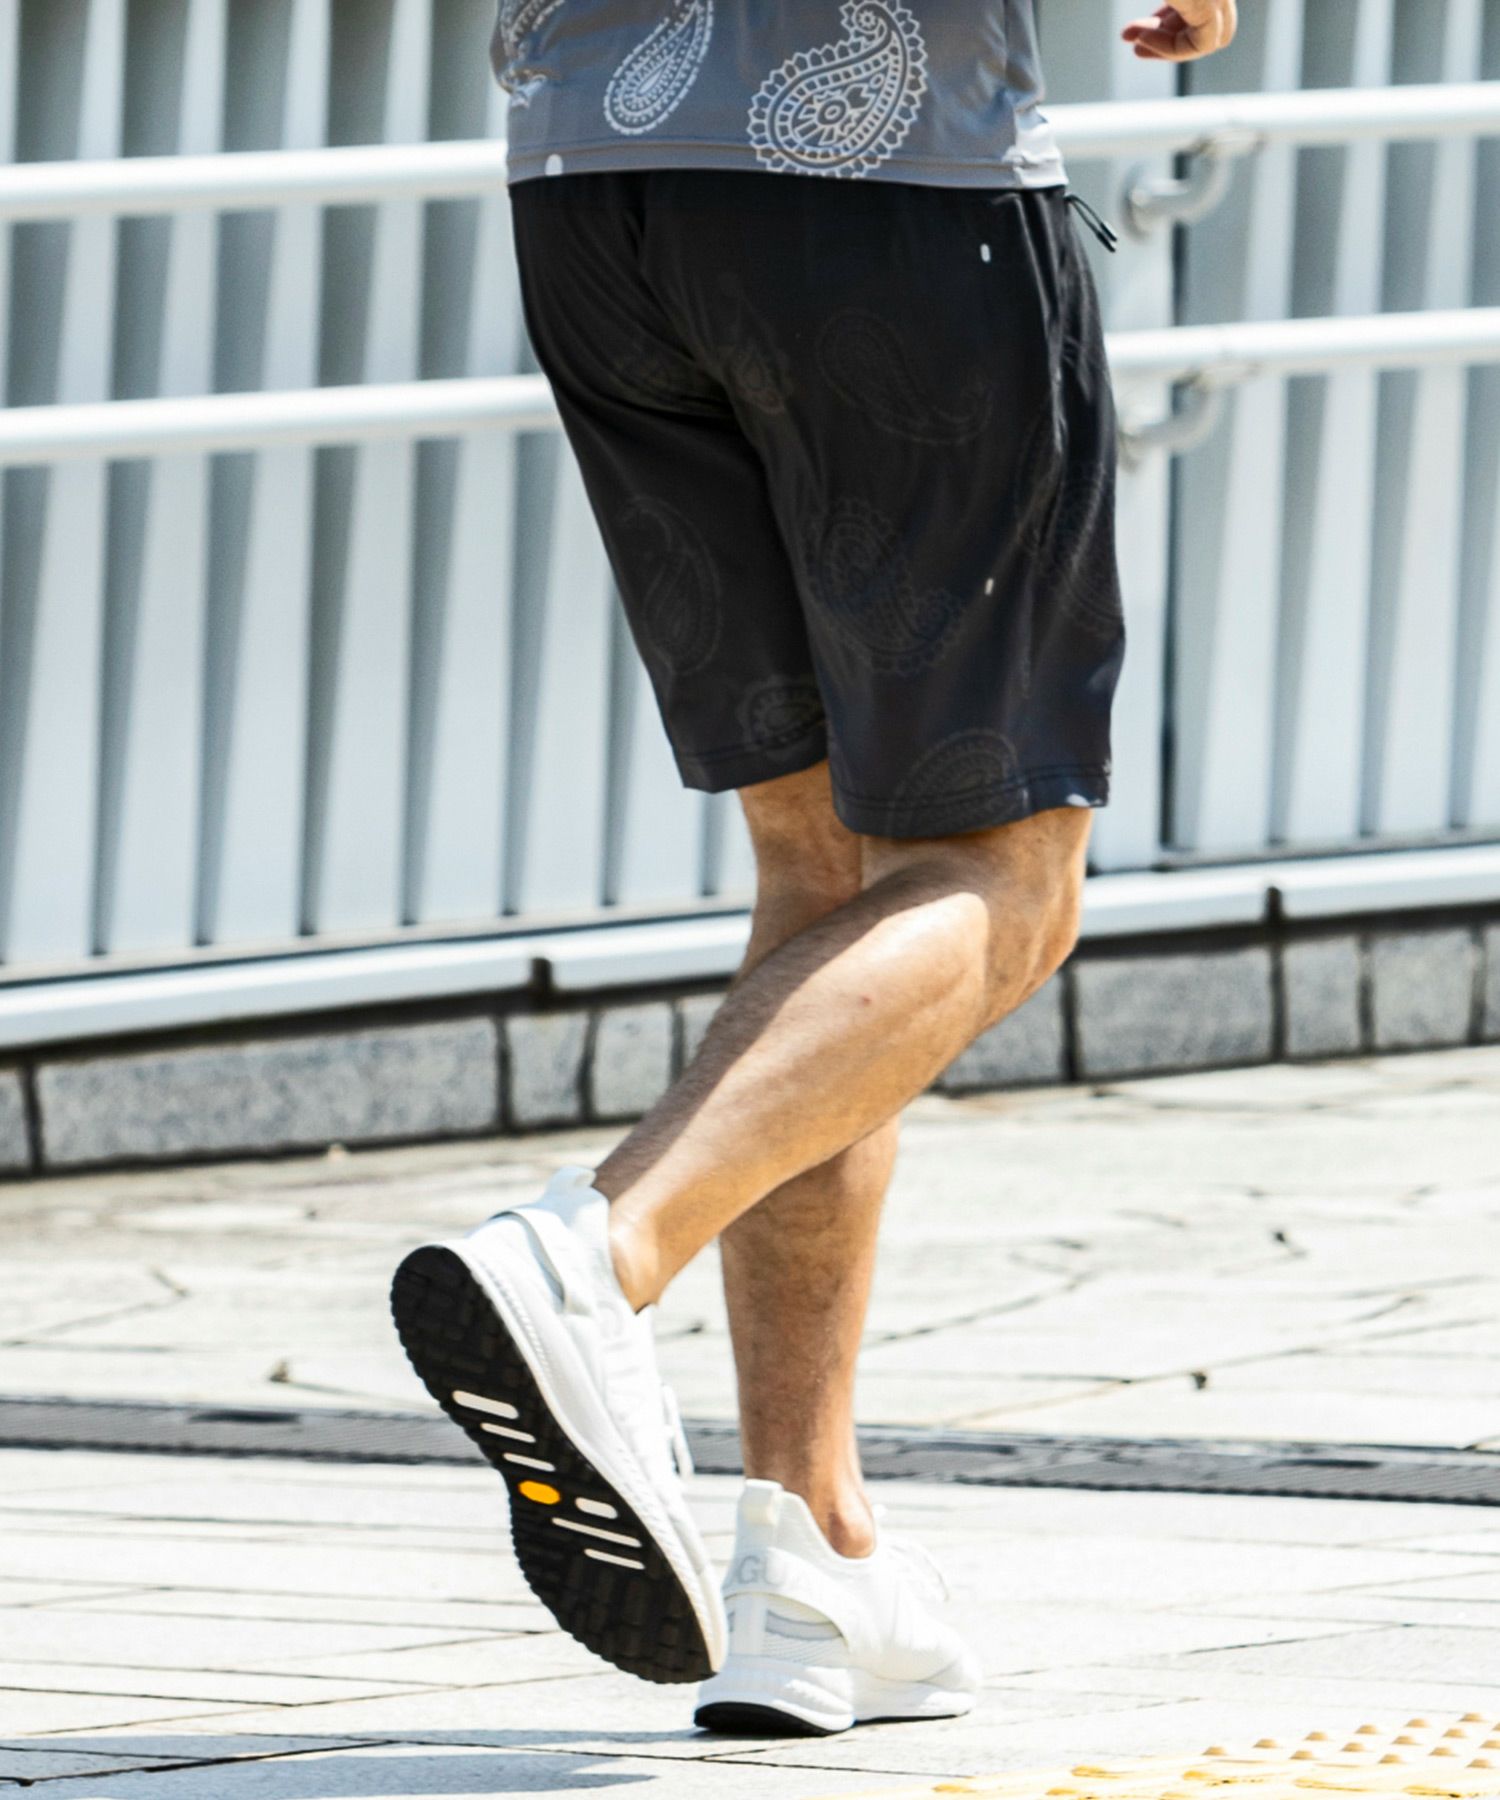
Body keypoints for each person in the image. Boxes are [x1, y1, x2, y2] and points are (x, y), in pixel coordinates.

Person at [392, 0, 1238, 1737]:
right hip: (889, 189)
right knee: (1004, 877)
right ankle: (595, 1258)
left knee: (827, 871)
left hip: (593, 183)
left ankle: (810, 1555)